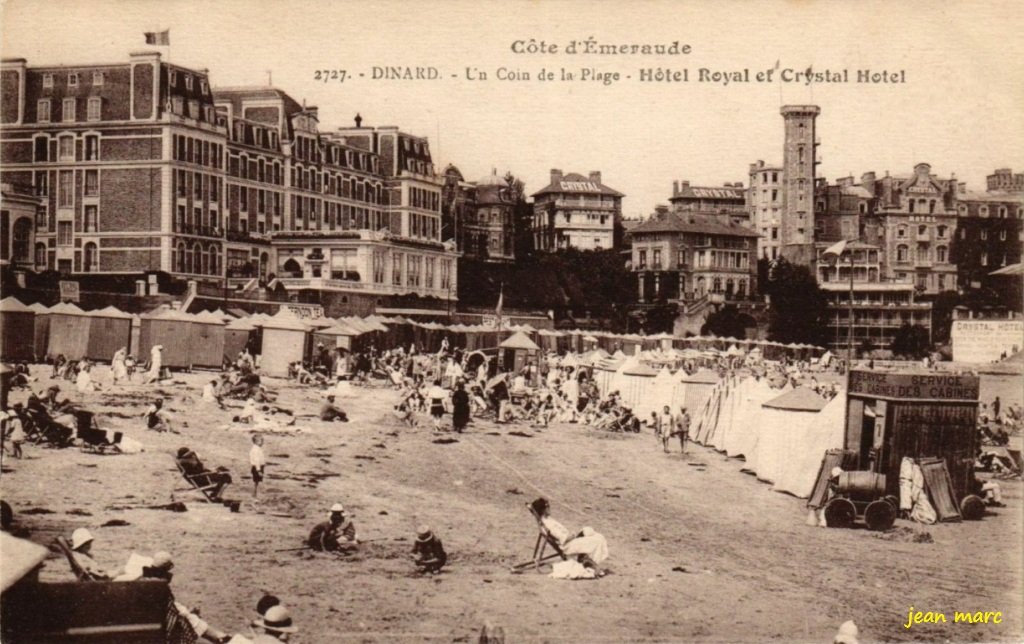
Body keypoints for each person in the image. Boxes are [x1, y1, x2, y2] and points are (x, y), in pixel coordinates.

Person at [530, 498, 609, 576]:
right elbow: (563, 539)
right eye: (548, 507)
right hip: (567, 545)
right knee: (597, 540)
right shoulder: (549, 524)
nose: (549, 508)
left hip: (569, 542)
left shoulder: (547, 520)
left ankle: (587, 560)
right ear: (543, 510)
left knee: (590, 532)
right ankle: (591, 565)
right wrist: (574, 535)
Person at [250, 434, 266, 499]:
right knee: (256, 481)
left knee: (257, 481)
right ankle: (255, 494)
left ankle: (255, 494)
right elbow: (257, 460)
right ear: (256, 442)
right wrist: (258, 470)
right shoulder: (256, 450)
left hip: (258, 467)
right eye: (261, 441)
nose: (263, 442)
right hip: (257, 467)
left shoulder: (257, 449)